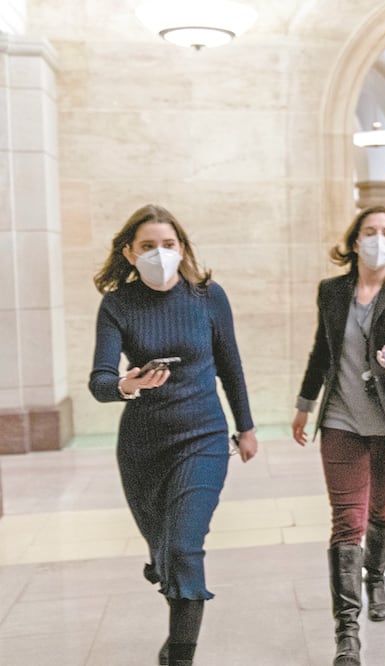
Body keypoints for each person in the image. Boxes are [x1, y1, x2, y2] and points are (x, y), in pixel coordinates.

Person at [88, 204, 258, 666]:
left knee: (184, 548)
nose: (159, 253)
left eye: (168, 244)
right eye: (147, 246)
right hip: (142, 448)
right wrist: (127, 385)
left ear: (182, 248)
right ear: (129, 253)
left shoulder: (208, 296)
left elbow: (231, 366)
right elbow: (100, 381)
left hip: (203, 438)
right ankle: (176, 630)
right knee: (165, 550)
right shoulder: (118, 304)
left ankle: (181, 656)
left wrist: (245, 426)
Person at [291, 206, 385, 666]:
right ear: (354, 240)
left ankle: (376, 578)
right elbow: (322, 350)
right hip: (341, 420)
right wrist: (305, 403)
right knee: (347, 521)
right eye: (370, 231)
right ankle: (347, 632)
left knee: (382, 510)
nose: (378, 239)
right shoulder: (332, 291)